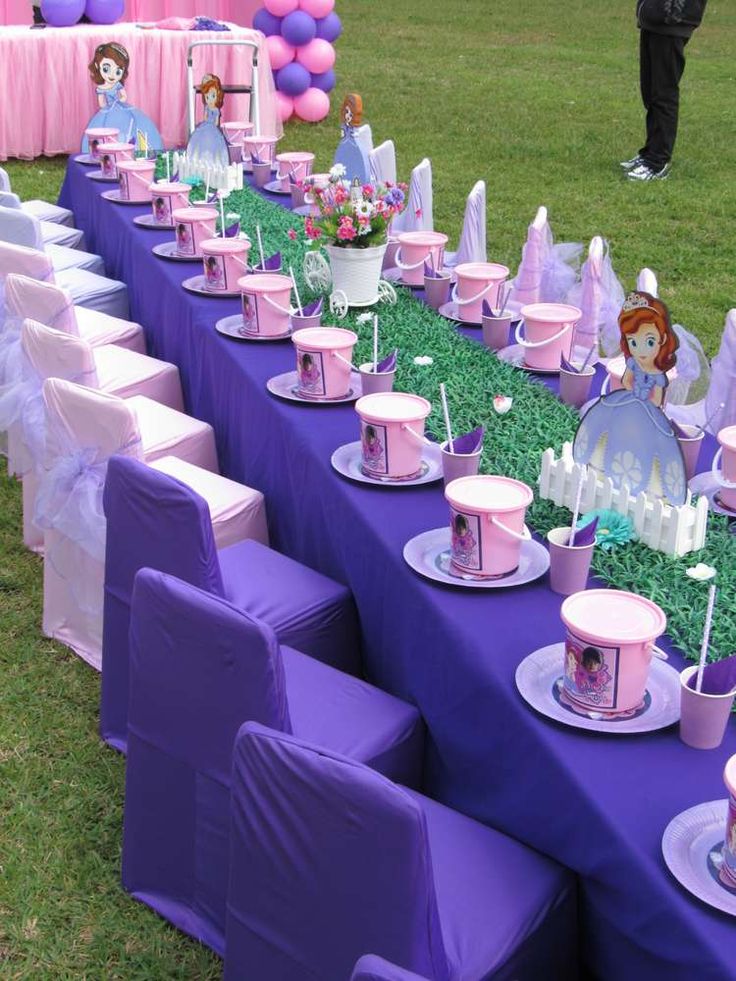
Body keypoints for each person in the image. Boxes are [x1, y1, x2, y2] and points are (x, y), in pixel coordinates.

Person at [573, 291, 688, 505]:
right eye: (633, 343)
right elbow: (627, 381)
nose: (641, 350)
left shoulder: (658, 376)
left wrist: (644, 402)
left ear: (662, 340)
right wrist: (633, 394)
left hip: (647, 412)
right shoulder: (633, 364)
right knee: (611, 432)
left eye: (649, 341)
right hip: (629, 401)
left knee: (646, 444)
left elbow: (658, 400)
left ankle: (647, 490)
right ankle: (600, 469)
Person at [622, 0, 708, 182]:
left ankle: (657, 163)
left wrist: (671, 12)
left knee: (663, 93)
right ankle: (649, 153)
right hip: (653, 20)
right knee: (650, 92)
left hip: (671, 23)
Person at [82, 43, 163, 153]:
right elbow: (101, 103)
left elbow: (123, 96)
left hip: (119, 105)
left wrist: (119, 101)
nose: (112, 75)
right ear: (97, 66)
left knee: (129, 124)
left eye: (118, 71)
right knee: (106, 128)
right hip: (108, 109)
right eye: (106, 69)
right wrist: (107, 108)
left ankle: (132, 147)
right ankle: (106, 150)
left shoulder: (117, 85)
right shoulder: (101, 88)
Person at [185, 74, 230, 168]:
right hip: (206, 125)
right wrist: (206, 123)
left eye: (213, 96)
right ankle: (199, 161)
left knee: (213, 143)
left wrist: (213, 126)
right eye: (207, 97)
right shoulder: (207, 107)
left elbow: (216, 122)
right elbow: (205, 117)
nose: (209, 100)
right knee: (200, 141)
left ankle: (214, 162)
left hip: (212, 127)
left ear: (218, 95)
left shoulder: (216, 110)